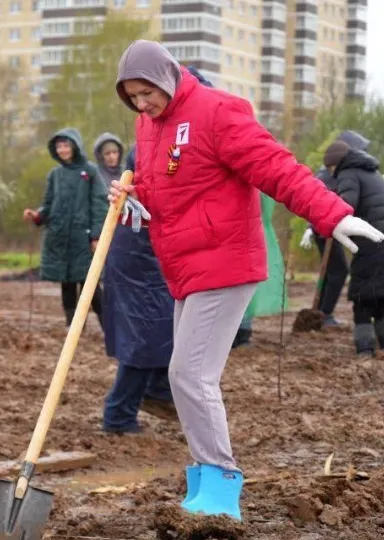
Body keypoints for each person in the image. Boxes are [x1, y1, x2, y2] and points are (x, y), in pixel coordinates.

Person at [109, 39, 383, 522]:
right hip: (186, 265)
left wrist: (331, 214)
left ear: (168, 77)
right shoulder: (149, 126)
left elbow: (275, 166)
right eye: (132, 96)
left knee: (189, 375)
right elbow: (169, 187)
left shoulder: (218, 112)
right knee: (187, 374)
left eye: (147, 92)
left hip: (225, 261)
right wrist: (133, 193)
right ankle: (205, 476)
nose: (141, 103)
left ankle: (219, 482)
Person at [97, 134, 176, 434]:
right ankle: (119, 414)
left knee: (161, 328)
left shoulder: (166, 143)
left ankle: (157, 388)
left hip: (148, 250)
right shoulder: (161, 147)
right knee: (147, 334)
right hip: (138, 252)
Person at [23, 128, 107, 329]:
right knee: (67, 284)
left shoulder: (90, 171)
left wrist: (96, 236)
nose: (62, 150)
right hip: (60, 238)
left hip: (83, 239)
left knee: (90, 284)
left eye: (66, 145)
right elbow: (49, 203)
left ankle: (108, 327)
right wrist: (38, 215)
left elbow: (100, 205)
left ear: (75, 146)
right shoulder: (55, 175)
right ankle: (74, 328)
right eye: (59, 146)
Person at [300, 130, 371, 327]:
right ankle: (325, 313)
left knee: (333, 271)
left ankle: (321, 311)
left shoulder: (330, 172)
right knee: (338, 271)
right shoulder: (331, 174)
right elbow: (318, 200)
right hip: (326, 228)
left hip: (325, 228)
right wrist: (311, 227)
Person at [323, 141, 384, 355]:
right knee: (380, 295)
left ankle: (365, 348)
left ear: (335, 164)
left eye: (330, 169)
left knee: (361, 297)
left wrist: (328, 211)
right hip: (380, 238)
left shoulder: (348, 172)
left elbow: (347, 203)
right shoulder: (371, 171)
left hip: (369, 242)